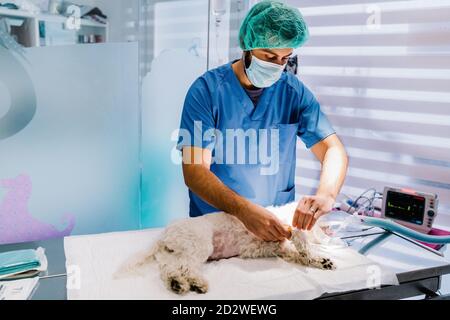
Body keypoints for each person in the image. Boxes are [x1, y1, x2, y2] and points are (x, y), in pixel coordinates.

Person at [177, 1, 348, 242]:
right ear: (248, 46)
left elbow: (333, 149)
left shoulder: (292, 92)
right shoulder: (206, 91)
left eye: (285, 58)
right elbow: (194, 170)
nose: (278, 66)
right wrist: (243, 210)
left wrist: (326, 195)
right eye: (269, 57)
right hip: (216, 229)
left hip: (275, 229)